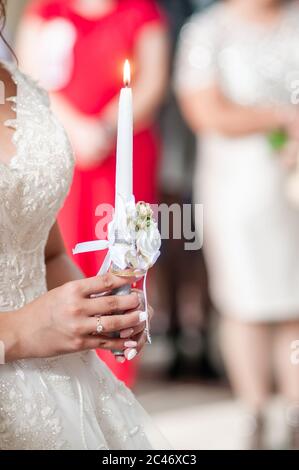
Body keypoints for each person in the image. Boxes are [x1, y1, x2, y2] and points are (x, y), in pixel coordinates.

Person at [0, 0, 170, 449]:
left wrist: (99, 310)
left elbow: (45, 248)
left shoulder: (24, 88)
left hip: (62, 382)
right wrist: (17, 332)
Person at [175, 0, 299, 449]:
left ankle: (294, 411)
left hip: (293, 187)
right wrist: (282, 116)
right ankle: (254, 412)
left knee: (294, 303)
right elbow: (205, 112)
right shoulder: (207, 31)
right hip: (237, 189)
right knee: (244, 300)